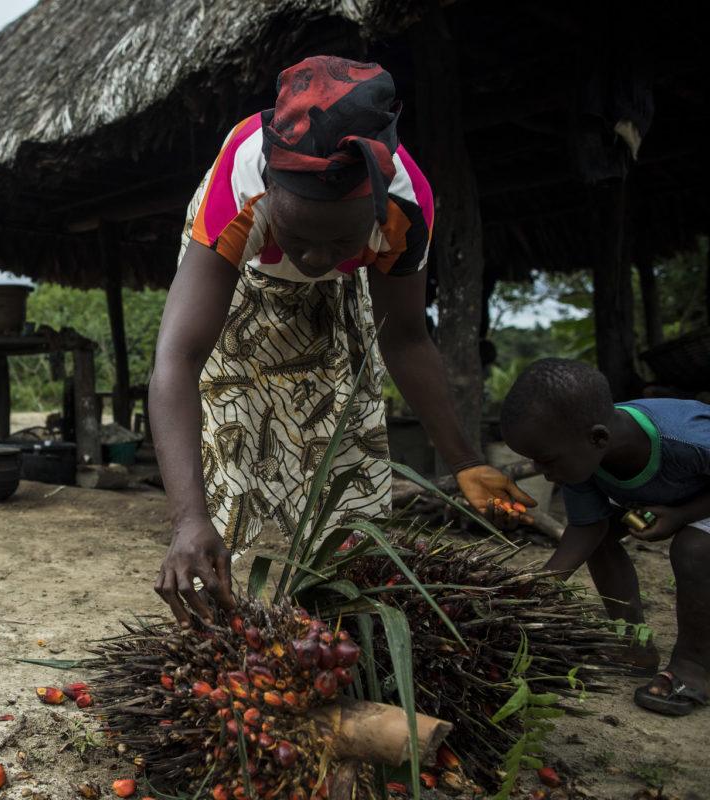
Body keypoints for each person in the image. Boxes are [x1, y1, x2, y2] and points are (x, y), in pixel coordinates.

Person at [150, 56, 532, 628]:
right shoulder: (239, 186)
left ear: (374, 209)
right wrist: (186, 518)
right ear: (273, 190)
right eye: (300, 235)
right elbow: (177, 360)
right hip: (244, 284)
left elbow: (403, 339)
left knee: (345, 471)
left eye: (340, 241)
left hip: (339, 301)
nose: (316, 259)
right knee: (221, 459)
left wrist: (466, 461)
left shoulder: (406, 207)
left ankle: (335, 625)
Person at [501, 357, 710, 716]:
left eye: (546, 461)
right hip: (675, 501)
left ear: (598, 438)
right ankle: (632, 643)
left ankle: (694, 666)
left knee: (692, 549)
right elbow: (587, 528)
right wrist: (532, 589)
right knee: (600, 538)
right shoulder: (580, 455)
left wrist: (682, 515)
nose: (540, 471)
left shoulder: (688, 439)